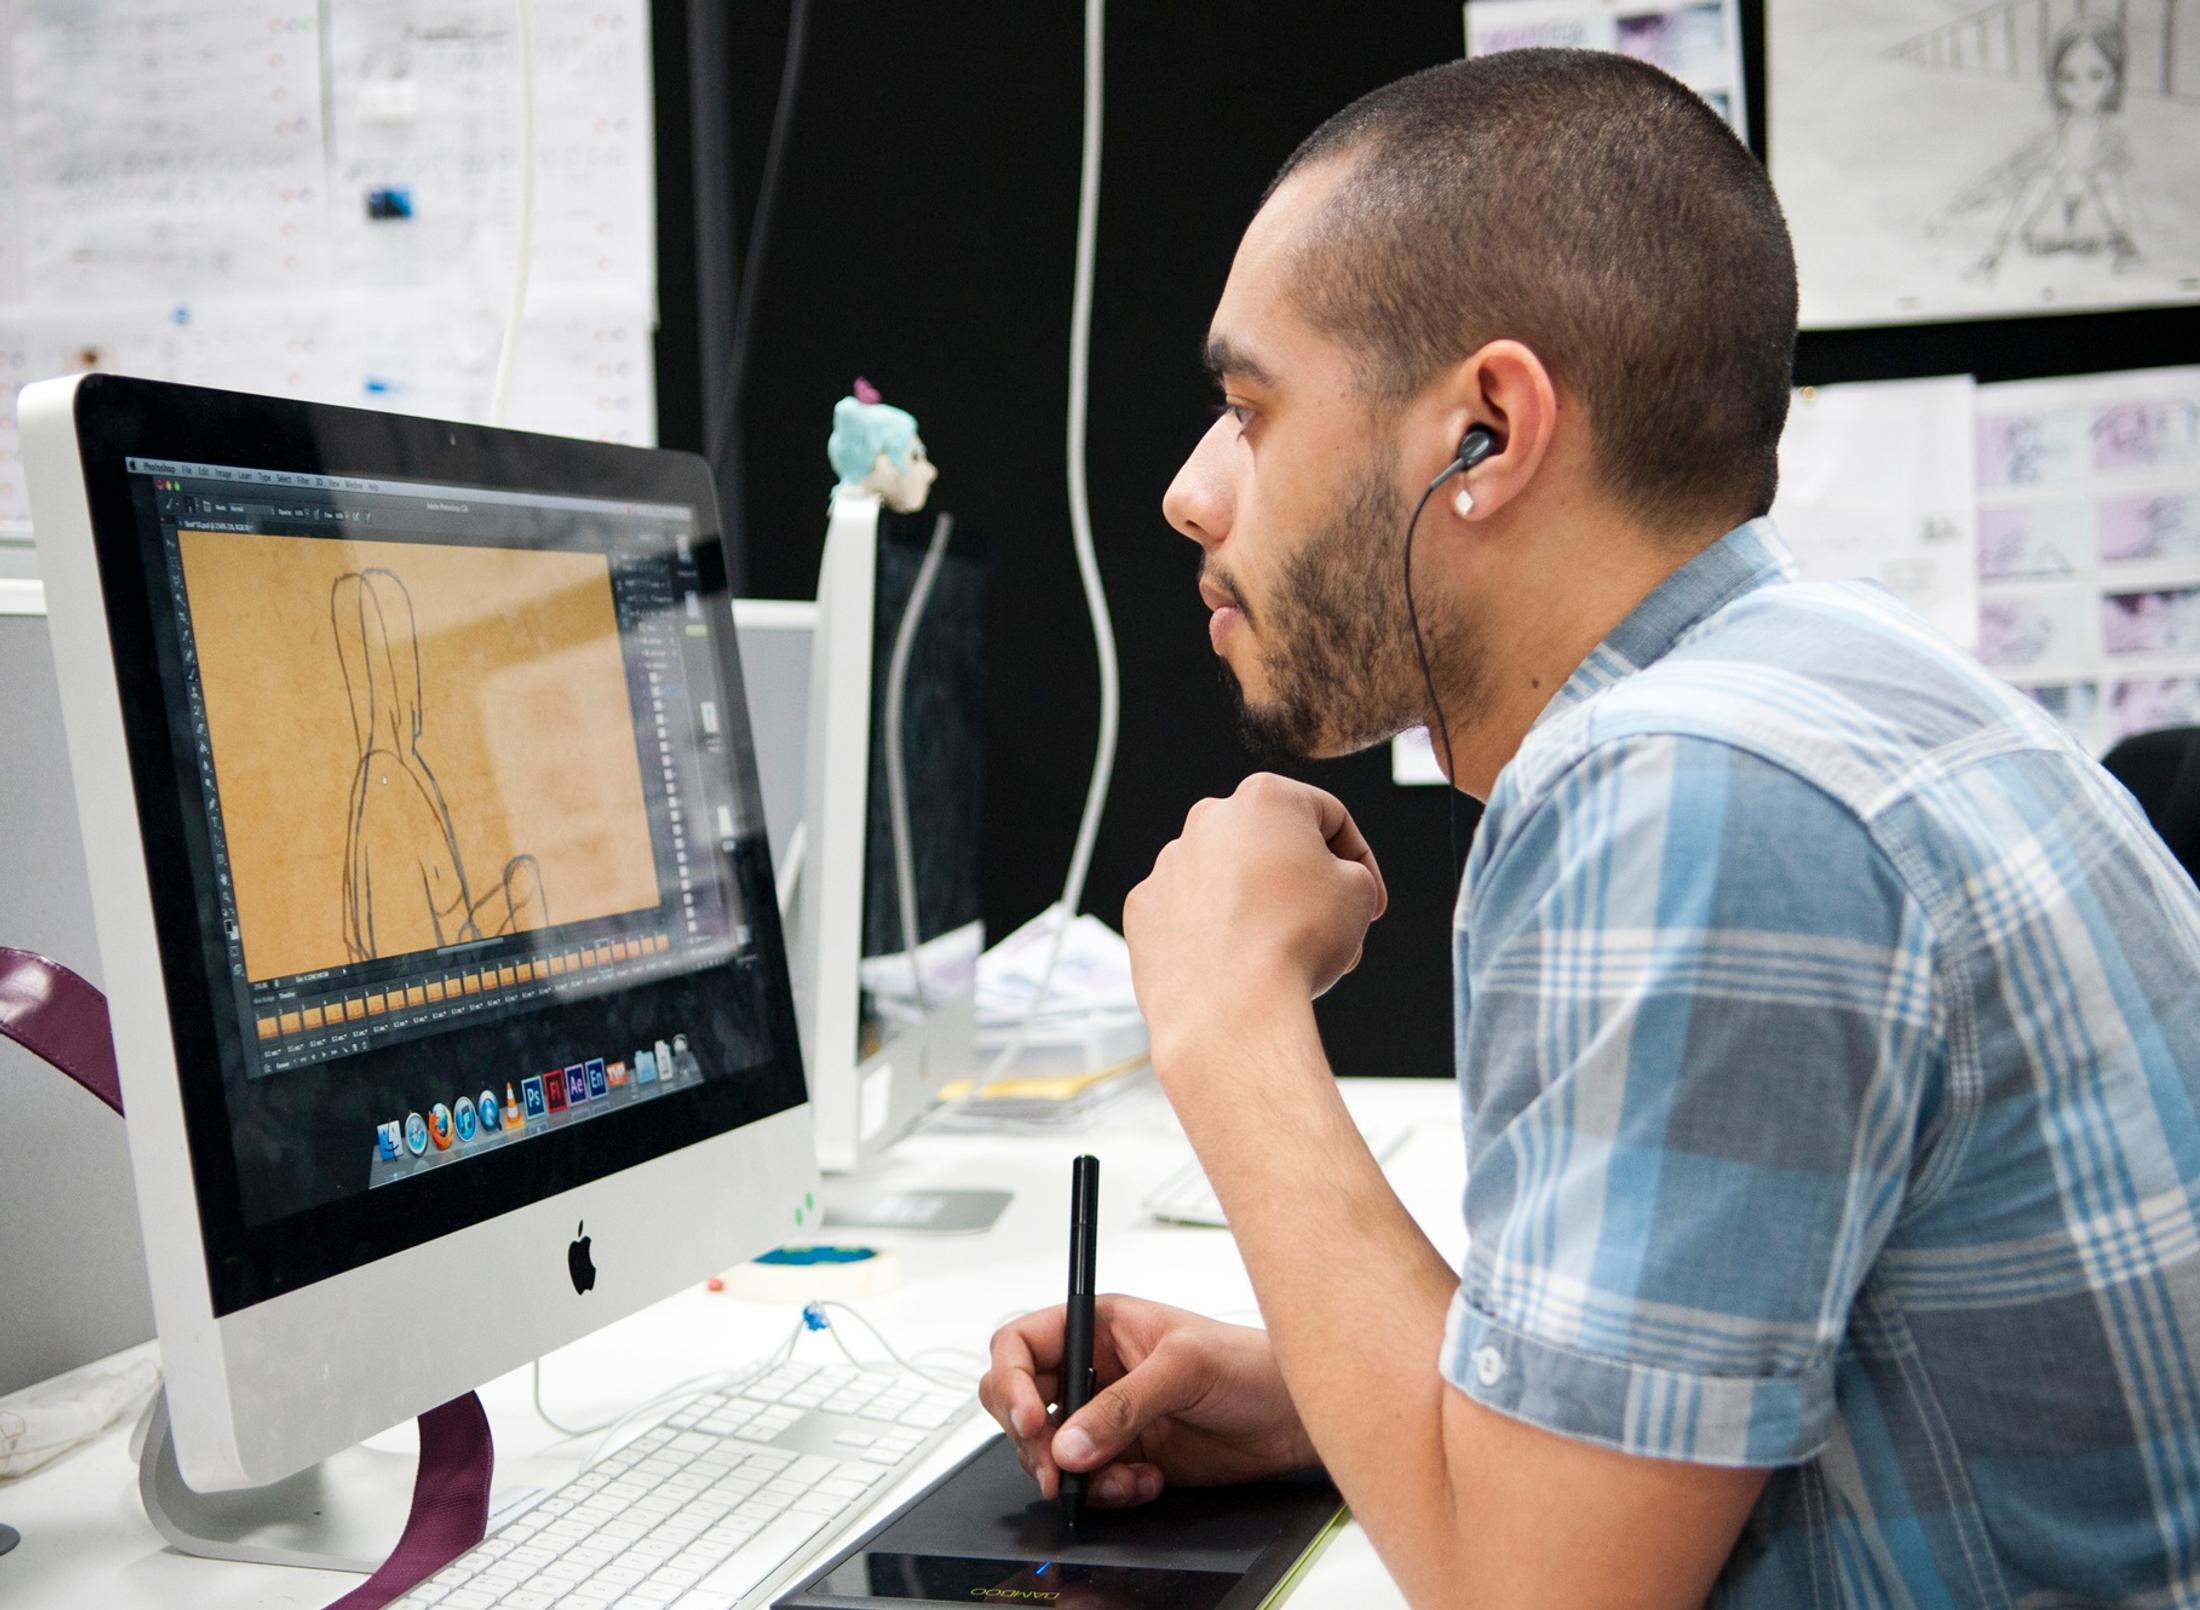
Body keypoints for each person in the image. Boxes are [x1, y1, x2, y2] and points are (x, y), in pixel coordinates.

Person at [977, 49, 2200, 1607]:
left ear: (1486, 430)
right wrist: (1340, 1401)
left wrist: (1225, 1015)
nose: (1189, 491)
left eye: (1247, 408)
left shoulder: (1689, 791)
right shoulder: (1827, 670)